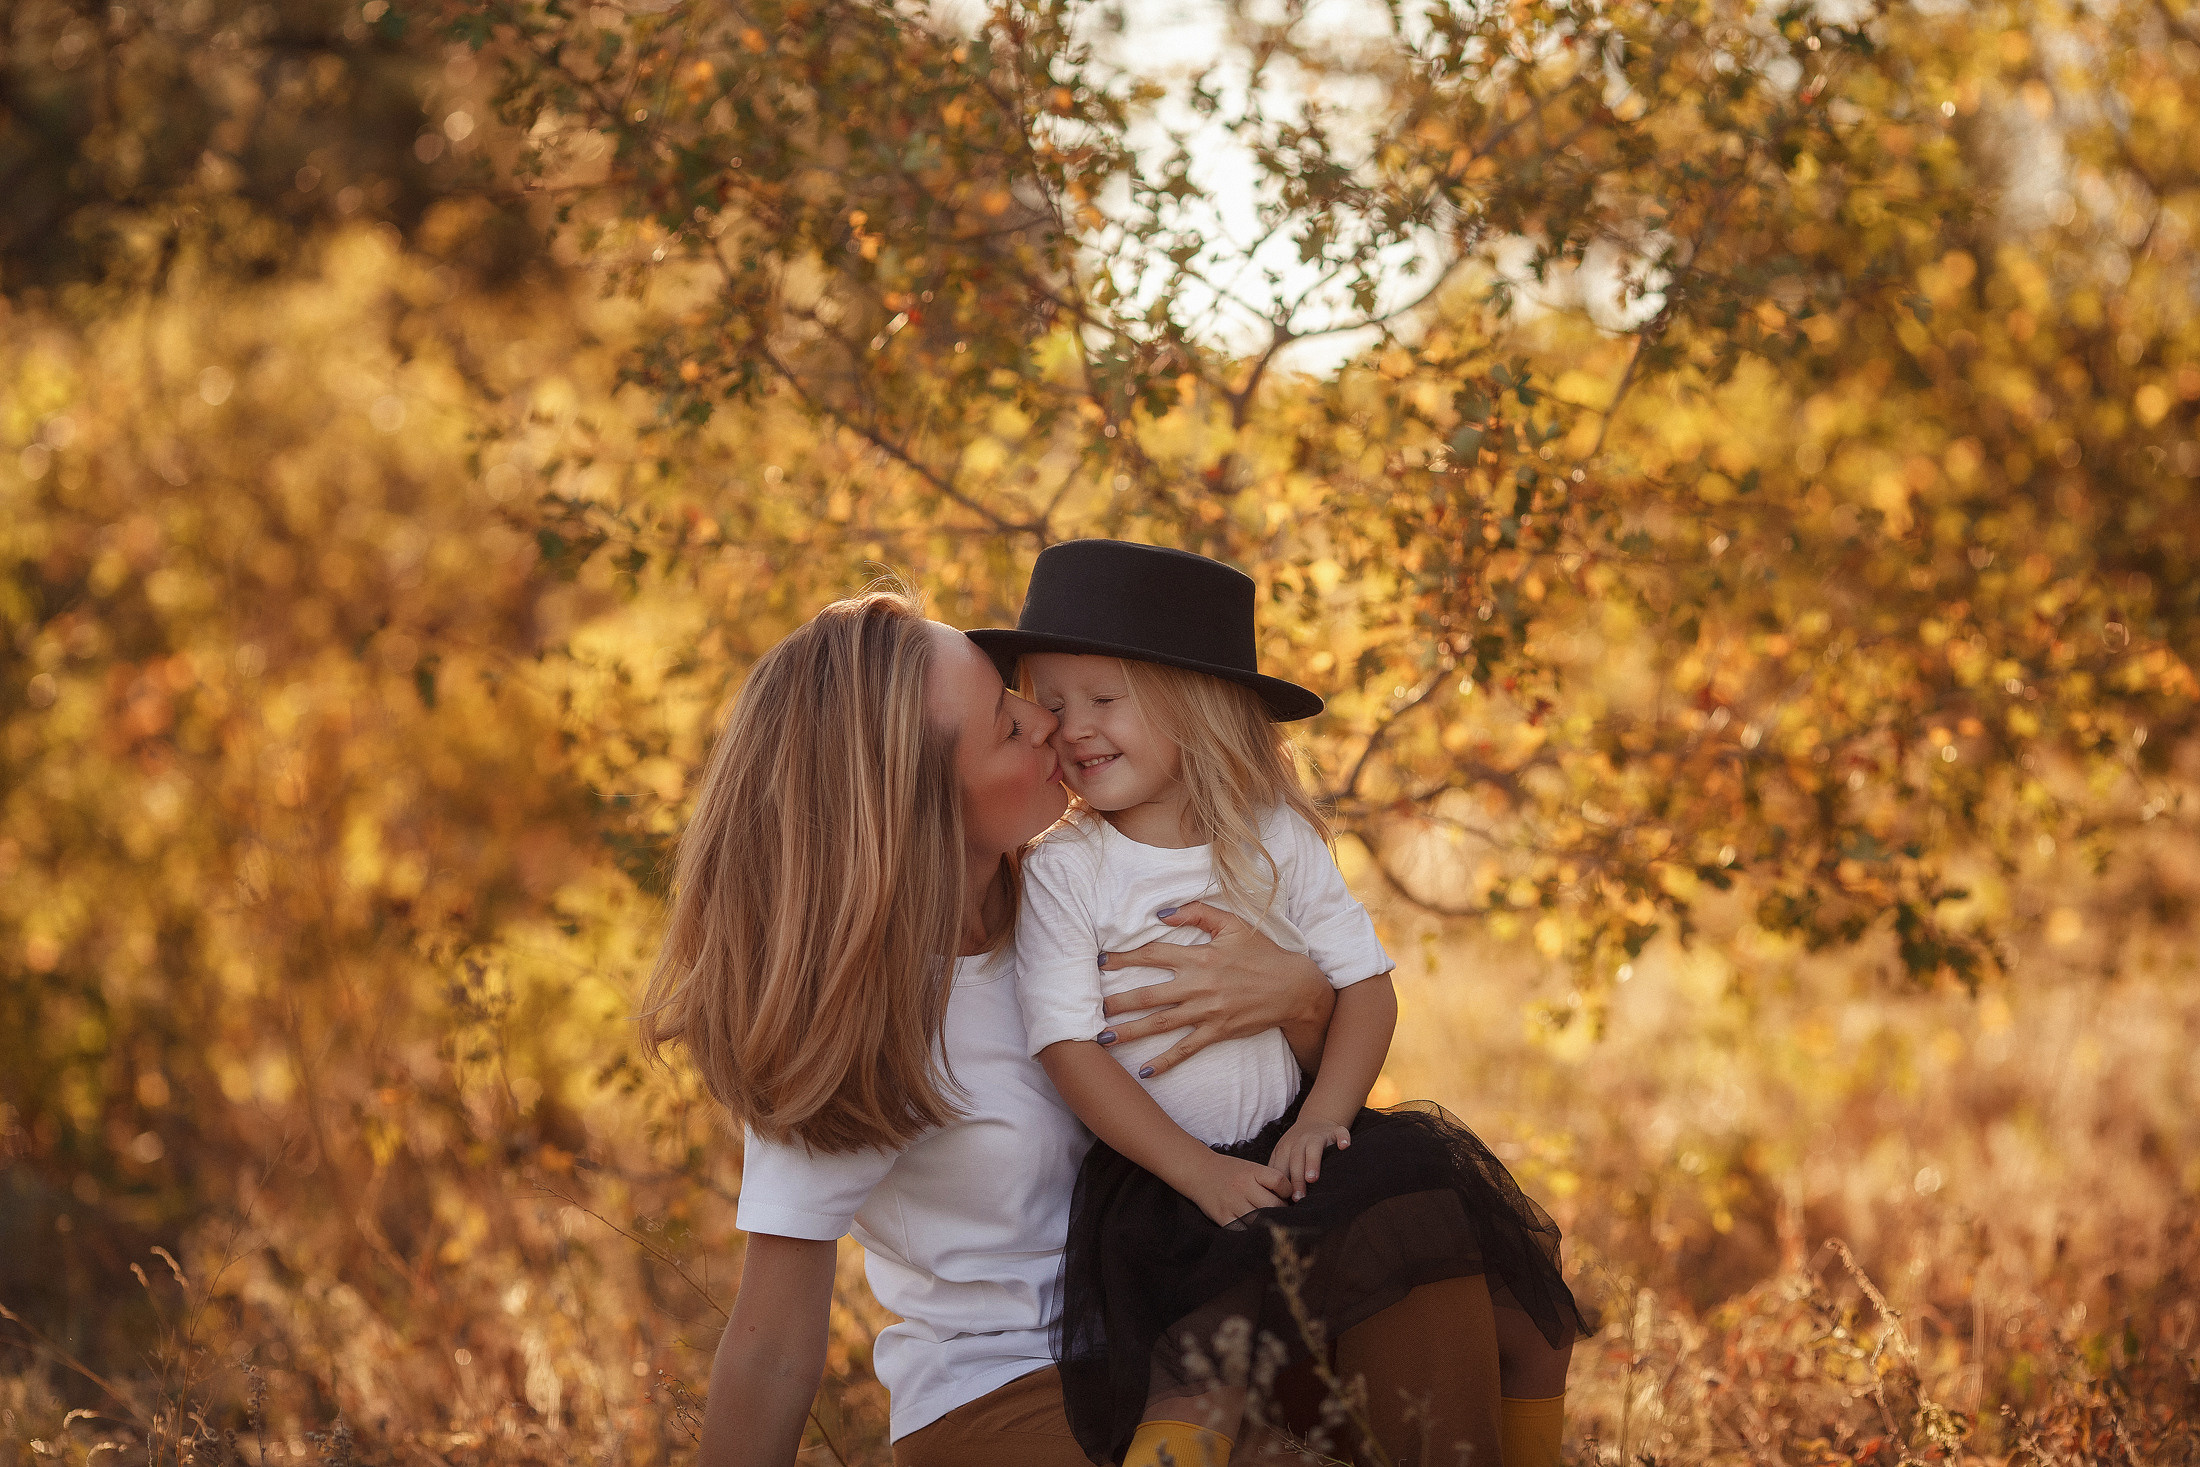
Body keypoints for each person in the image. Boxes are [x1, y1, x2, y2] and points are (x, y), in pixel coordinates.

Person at [641, 580, 1542, 1467]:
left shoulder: (1080, 888)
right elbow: (771, 1348)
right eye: (1008, 720)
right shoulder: (858, 1023)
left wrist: (1302, 998)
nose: (1049, 725)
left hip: (1190, 1312)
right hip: (1011, 1386)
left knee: (1443, 1265)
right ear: (915, 797)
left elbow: (1265, 1098)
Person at [969, 540, 1590, 1467]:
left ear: (1198, 704)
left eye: (1105, 698)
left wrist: (1326, 1120)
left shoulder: (1273, 838)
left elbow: (1366, 991)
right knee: (1201, 1381)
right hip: (1171, 1184)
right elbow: (1067, 1046)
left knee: (1521, 1317)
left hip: (1301, 1155)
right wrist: (1196, 1171)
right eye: (1050, 702)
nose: (1075, 726)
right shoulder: (1069, 865)